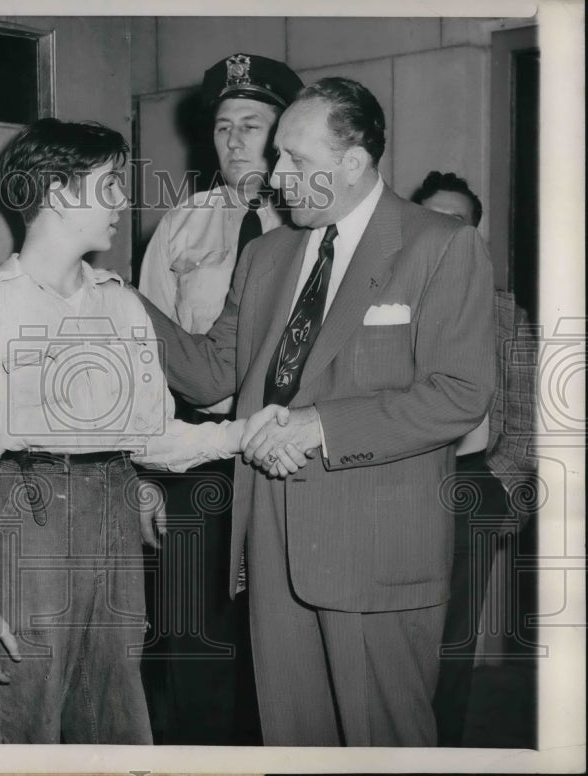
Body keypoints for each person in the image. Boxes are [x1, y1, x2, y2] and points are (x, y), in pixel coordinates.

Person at [138, 77, 496, 746]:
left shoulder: (439, 246)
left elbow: (459, 393)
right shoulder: (265, 255)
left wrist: (321, 426)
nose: (275, 176)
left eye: (295, 160)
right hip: (271, 542)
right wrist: (129, 308)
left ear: (354, 163)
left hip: (376, 547)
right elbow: (216, 371)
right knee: (293, 739)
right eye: (277, 156)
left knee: (383, 741)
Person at [0, 118, 286, 744]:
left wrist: (241, 433)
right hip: (26, 524)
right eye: (109, 184)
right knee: (27, 719)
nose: (124, 200)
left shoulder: (121, 305)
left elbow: (151, 437)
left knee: (118, 713)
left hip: (114, 516)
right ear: (61, 193)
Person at [137, 52, 302, 745]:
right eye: (224, 126)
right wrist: (142, 474)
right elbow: (140, 354)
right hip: (196, 457)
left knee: (281, 634)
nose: (235, 141)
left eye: (254, 125)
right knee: (191, 633)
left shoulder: (316, 225)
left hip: (290, 453)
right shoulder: (184, 224)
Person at [412, 171, 538, 746]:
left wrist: (503, 495)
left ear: (475, 237)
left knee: (452, 644)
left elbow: (526, 416)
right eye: (430, 218)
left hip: (469, 488)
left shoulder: (505, 313)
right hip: (391, 487)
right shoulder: (381, 303)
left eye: (456, 221)